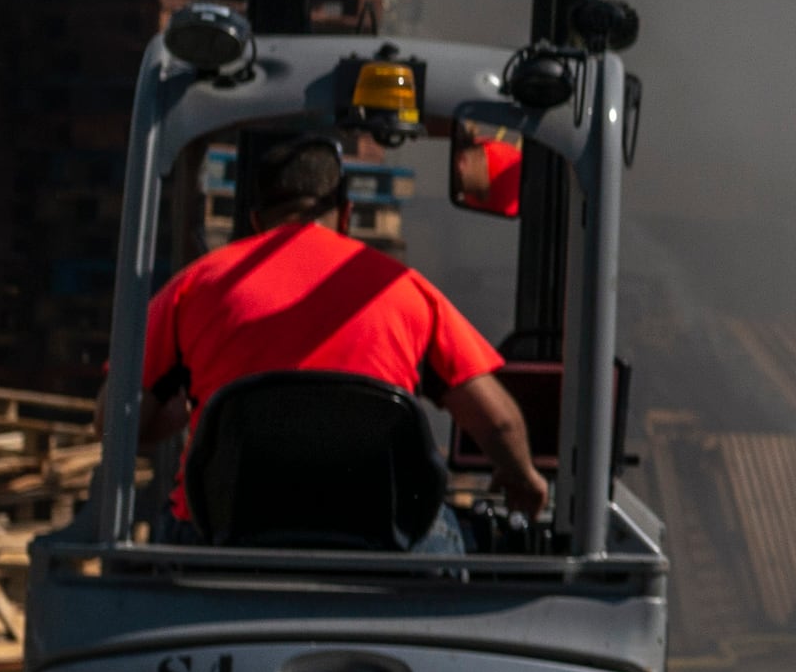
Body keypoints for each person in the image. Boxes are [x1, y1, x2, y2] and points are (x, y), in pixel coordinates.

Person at [141, 124, 551, 518]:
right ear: (345, 215)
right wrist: (523, 479)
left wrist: (194, 405)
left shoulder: (193, 288)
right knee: (461, 540)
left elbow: (117, 422)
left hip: (219, 539)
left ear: (254, 221)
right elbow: (496, 421)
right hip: (378, 540)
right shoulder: (404, 291)